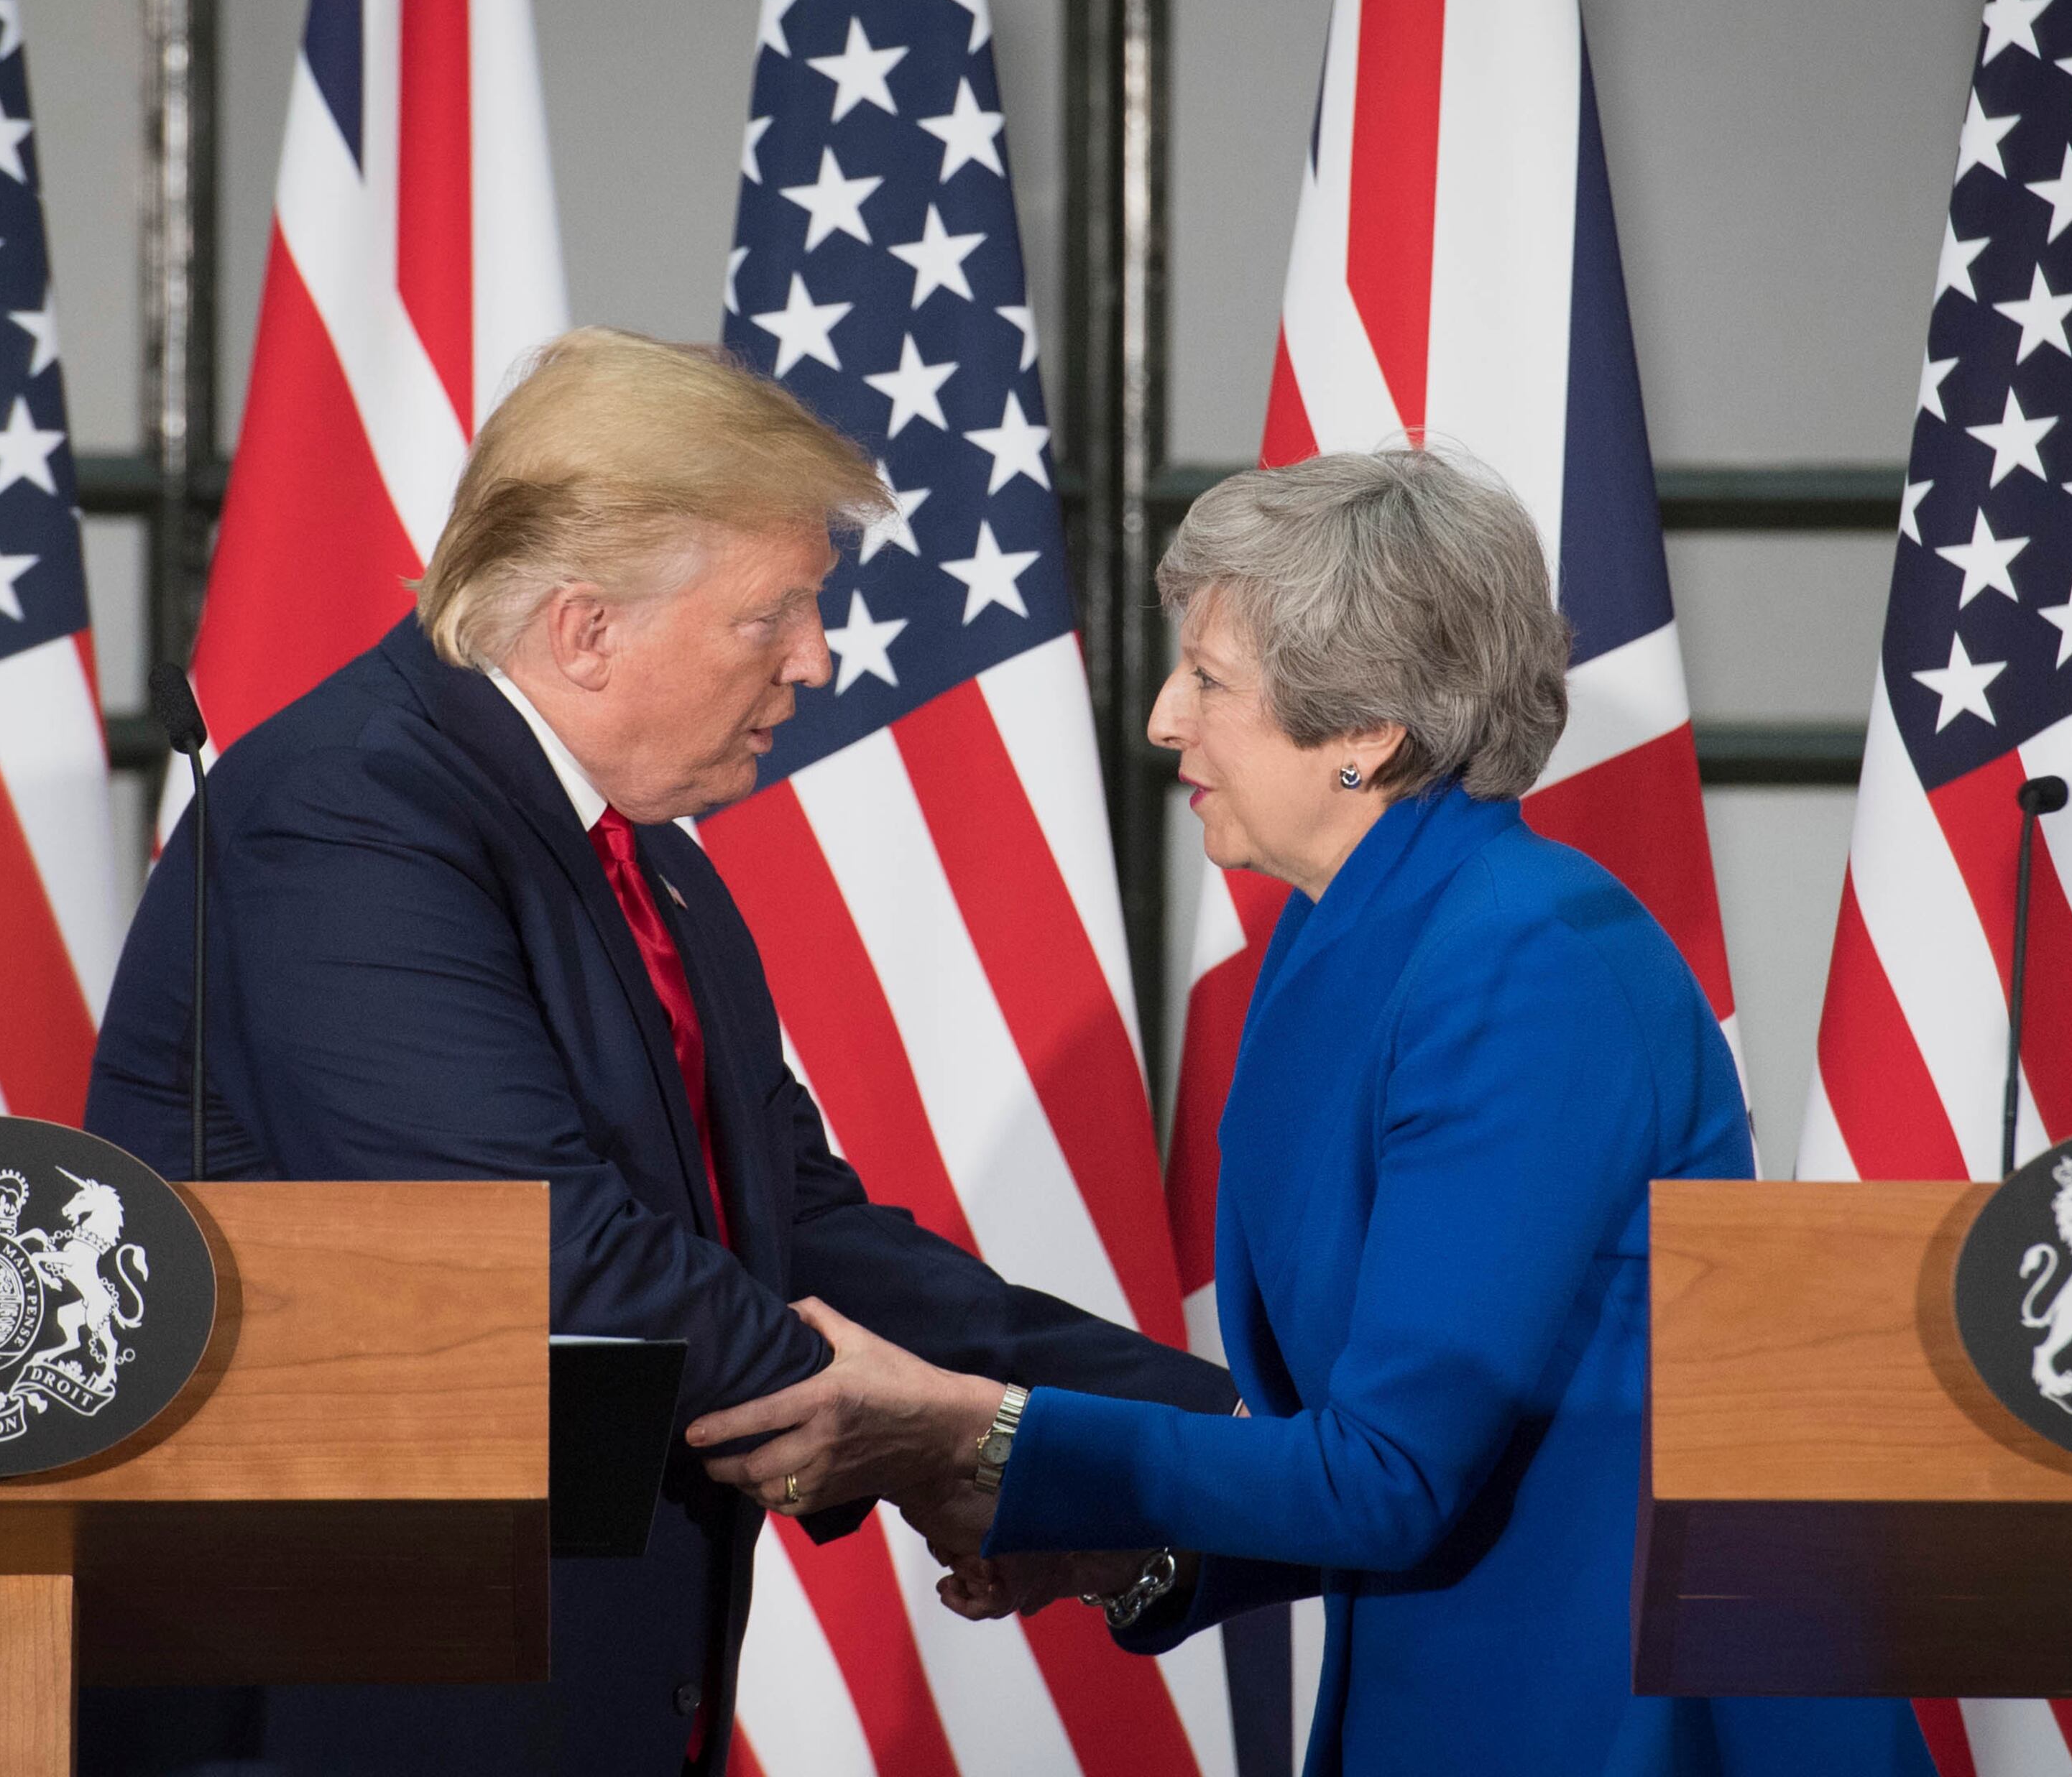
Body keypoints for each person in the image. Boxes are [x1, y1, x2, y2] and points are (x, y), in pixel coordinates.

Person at [75, 328, 1231, 1777]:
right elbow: (540, 1248)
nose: (818, 657)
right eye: (776, 612)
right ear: (585, 628)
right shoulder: (348, 813)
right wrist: (953, 1445)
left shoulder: (647, 860)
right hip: (309, 1709)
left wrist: (1196, 1437)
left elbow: (802, 1229)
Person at [689, 451, 1935, 1775]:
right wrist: (1127, 1547)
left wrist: (988, 1428)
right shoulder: (1345, 943)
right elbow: (1361, 1453)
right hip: (1442, 1691)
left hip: (1617, 1715)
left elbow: (1392, 1478)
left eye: (1210, 681)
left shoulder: (1531, 963)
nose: (1166, 717)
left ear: (1365, 735)